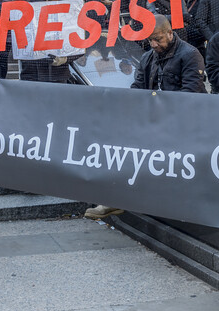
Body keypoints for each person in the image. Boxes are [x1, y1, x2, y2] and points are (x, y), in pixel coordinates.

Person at [85, 15, 205, 220]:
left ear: (170, 33)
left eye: (157, 38)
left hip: (184, 122)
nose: (154, 44)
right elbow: (137, 88)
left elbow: (189, 96)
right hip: (156, 119)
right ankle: (116, 199)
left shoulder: (190, 54)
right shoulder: (149, 56)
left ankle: (120, 199)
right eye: (150, 40)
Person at [19, 0, 72, 84]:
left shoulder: (71, 11)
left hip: (59, 75)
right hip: (33, 75)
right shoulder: (30, 11)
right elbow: (21, 43)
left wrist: (66, 58)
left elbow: (79, 47)